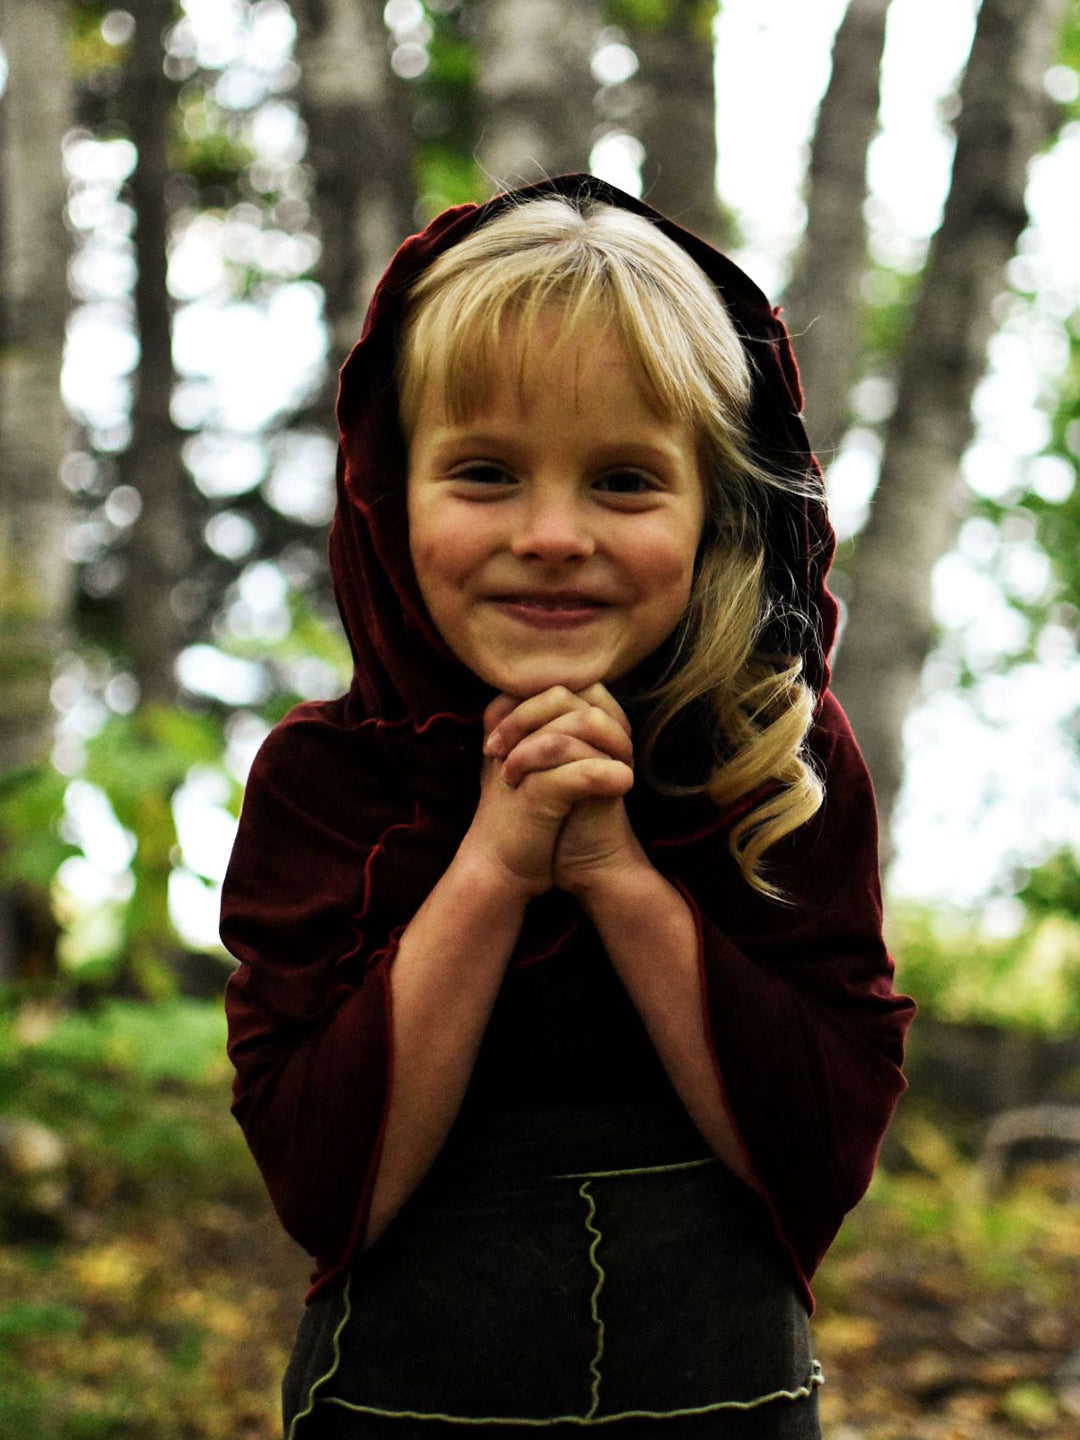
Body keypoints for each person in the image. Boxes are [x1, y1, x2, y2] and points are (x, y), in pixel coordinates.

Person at [221, 174, 915, 1440]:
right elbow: (329, 1194)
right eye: (484, 471)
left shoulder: (778, 764)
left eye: (625, 482)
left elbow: (821, 1154)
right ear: (388, 492)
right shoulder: (326, 785)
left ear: (716, 512)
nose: (551, 534)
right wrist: (494, 863)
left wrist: (612, 868)